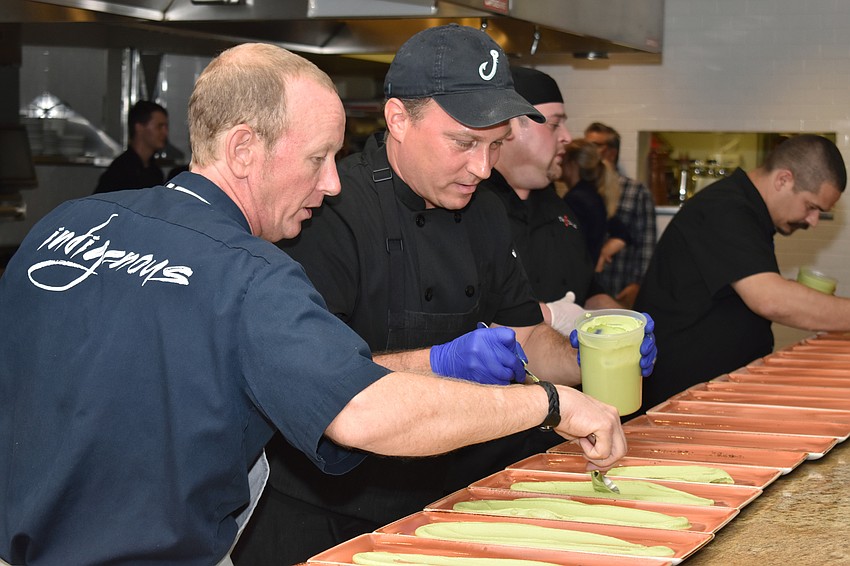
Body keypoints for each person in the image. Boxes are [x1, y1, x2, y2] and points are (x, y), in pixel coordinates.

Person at [0, 42, 629, 566]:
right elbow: (367, 414)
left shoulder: (66, 224)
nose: (332, 183)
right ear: (244, 149)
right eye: (318, 158)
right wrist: (549, 403)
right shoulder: (249, 274)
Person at [234, 25, 655, 564]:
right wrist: (443, 363)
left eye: (495, 145)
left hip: (451, 495)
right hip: (331, 512)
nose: (482, 168)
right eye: (464, 143)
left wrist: (587, 356)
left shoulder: (486, 210)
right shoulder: (329, 211)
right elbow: (323, 389)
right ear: (398, 119)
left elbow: (529, 338)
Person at [634, 133, 850, 414]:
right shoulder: (725, 208)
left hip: (713, 391)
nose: (813, 221)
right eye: (811, 207)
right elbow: (770, 298)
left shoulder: (745, 209)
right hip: (679, 399)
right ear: (783, 180)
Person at [477, 67, 622, 337]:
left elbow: (588, 288)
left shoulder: (559, 207)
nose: (567, 136)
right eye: (555, 124)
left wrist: (625, 322)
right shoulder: (471, 207)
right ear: (508, 127)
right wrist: (549, 315)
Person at [585, 122, 657, 308]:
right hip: (584, 288)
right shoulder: (580, 189)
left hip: (619, 286)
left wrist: (637, 284)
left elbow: (646, 243)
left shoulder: (636, 191)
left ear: (611, 152)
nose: (587, 152)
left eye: (593, 146)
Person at [561, 138, 631, 264]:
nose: (559, 164)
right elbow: (622, 233)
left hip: (579, 274)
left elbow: (569, 247)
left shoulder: (576, 199)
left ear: (573, 164)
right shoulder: (594, 195)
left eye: (563, 160)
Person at [93, 100, 169, 194]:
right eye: (159, 126)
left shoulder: (155, 172)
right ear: (139, 127)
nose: (165, 132)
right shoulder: (120, 172)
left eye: (166, 127)